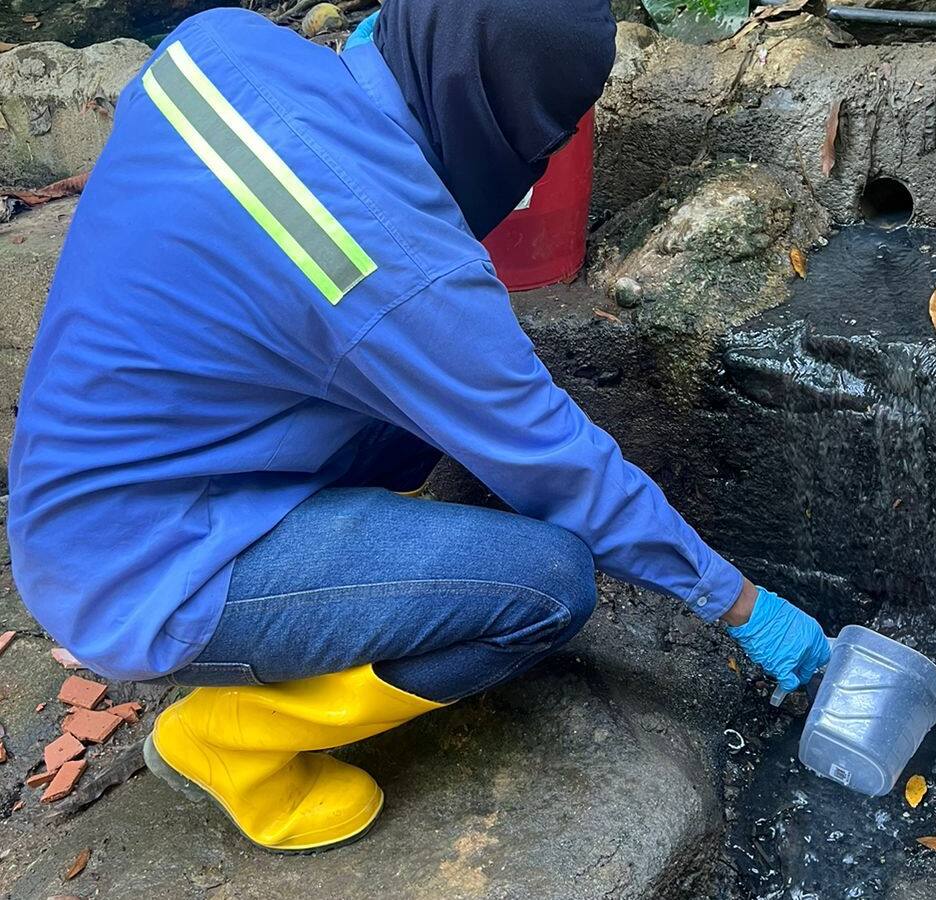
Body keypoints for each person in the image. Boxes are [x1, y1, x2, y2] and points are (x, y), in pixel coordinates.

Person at [7, 0, 831, 853]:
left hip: (80, 494)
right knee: (546, 584)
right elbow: (563, 466)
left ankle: (314, 612)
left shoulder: (215, 42)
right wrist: (747, 610)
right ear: (504, 123)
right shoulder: (392, 266)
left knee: (421, 410)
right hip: (139, 576)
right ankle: (230, 743)